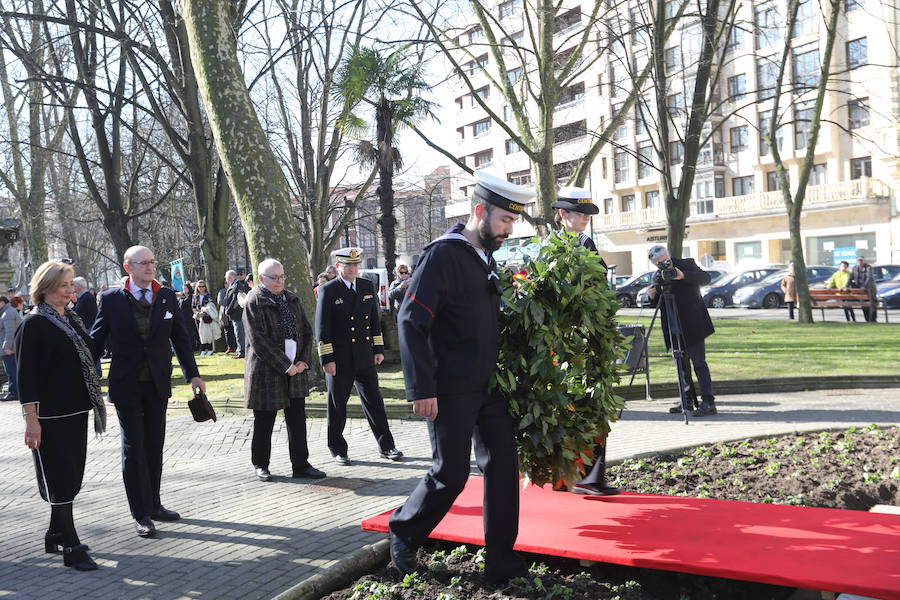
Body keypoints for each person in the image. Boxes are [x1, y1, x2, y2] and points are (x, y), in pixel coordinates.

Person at [388, 170, 529, 585]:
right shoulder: (443, 255)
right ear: (480, 211)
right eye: (505, 220)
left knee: (503, 469)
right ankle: (404, 531)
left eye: (513, 223)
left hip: (488, 387)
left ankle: (501, 560)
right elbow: (410, 319)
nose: (508, 230)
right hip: (448, 388)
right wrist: (421, 387)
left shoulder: (483, 256)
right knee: (449, 473)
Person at [90, 246, 206, 539]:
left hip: (157, 384)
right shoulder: (111, 299)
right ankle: (140, 514)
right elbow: (95, 340)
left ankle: (154, 504)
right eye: (144, 263)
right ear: (128, 267)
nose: (150, 267)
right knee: (134, 448)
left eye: (153, 262)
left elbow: (181, 338)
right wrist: (83, 373)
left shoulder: (166, 296)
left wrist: (193, 375)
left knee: (154, 445)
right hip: (126, 384)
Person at [17, 260, 106, 570]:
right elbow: (26, 378)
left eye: (72, 285)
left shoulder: (72, 319)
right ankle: (71, 545)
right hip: (51, 416)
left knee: (72, 476)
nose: (71, 290)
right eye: (65, 285)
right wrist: (31, 421)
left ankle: (55, 532)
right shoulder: (34, 323)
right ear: (46, 288)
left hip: (77, 410)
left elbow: (91, 353)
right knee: (60, 478)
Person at [549, 187, 619, 496]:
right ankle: (587, 478)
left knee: (572, 405)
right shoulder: (577, 245)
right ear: (563, 214)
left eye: (588, 214)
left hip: (570, 340)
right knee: (589, 404)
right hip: (582, 341)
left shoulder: (557, 246)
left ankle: (566, 477)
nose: (586, 219)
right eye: (580, 214)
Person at [315, 248, 402, 465]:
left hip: (364, 356)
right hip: (340, 359)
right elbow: (322, 328)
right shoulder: (328, 290)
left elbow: (374, 320)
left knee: (375, 402)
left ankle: (387, 446)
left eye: (355, 265)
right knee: (337, 406)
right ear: (338, 267)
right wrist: (327, 359)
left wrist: (378, 350)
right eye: (348, 266)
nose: (353, 269)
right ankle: (338, 449)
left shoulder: (366, 285)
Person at [243, 258, 325, 482]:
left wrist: (303, 362)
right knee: (264, 421)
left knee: (297, 420)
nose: (279, 281)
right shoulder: (254, 301)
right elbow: (258, 341)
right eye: (274, 278)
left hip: (295, 371)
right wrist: (285, 366)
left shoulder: (292, 299)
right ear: (261, 279)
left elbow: (307, 333)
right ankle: (261, 464)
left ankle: (301, 465)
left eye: (281, 277)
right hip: (267, 372)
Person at [646, 245, 717, 417]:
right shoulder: (658, 276)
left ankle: (708, 402)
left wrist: (683, 275)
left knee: (699, 363)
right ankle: (687, 400)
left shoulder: (687, 264)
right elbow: (659, 304)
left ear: (669, 255)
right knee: (681, 365)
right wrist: (652, 297)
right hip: (673, 326)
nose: (662, 265)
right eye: (658, 263)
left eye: (664, 261)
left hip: (693, 323)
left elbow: (706, 278)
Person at [225, 267, 251, 358]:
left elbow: (235, 300)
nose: (226, 280)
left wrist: (228, 311)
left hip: (238, 313)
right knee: (238, 332)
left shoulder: (237, 285)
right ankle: (241, 350)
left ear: (231, 277)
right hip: (235, 314)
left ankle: (242, 352)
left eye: (226, 278)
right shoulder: (234, 285)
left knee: (240, 332)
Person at [0, 295, 23, 401]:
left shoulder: (7, 313)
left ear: (2, 303)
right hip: (11, 348)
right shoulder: (8, 311)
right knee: (12, 371)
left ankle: (13, 393)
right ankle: (14, 392)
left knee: (11, 371)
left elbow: (10, 332)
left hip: (9, 349)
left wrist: (6, 347)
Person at [846, 252, 877, 322]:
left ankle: (873, 319)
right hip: (860, 290)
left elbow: (869, 278)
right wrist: (846, 286)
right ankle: (867, 319)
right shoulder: (854, 268)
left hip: (869, 289)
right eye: (858, 260)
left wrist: (864, 287)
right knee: (864, 305)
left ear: (864, 261)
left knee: (872, 304)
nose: (860, 262)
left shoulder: (868, 267)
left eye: (861, 260)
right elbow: (850, 278)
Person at [219, 271, 238, 353]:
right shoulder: (222, 292)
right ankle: (230, 347)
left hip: (234, 312)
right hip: (225, 314)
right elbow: (220, 302)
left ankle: (238, 347)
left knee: (236, 331)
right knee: (228, 331)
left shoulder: (235, 289)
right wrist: (228, 301)